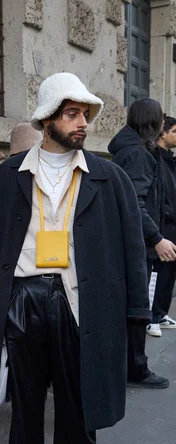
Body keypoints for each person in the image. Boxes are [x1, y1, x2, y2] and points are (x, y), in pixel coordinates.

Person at [0, 73, 150, 444]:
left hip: (80, 301)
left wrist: (136, 314)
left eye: (85, 113)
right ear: (48, 119)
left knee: (80, 397)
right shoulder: (9, 175)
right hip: (23, 298)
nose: (82, 121)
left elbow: (131, 247)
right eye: (72, 114)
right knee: (25, 399)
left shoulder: (109, 177)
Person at [109, 99, 175, 388]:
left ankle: (130, 366)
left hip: (133, 243)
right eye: (161, 118)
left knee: (135, 308)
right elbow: (136, 203)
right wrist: (157, 238)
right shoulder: (137, 153)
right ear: (153, 121)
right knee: (138, 308)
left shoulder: (136, 150)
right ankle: (135, 368)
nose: (164, 123)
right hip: (136, 245)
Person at [146, 116, 176, 336]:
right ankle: (150, 317)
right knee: (157, 271)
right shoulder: (153, 158)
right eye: (174, 131)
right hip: (161, 225)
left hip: (172, 224)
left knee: (169, 272)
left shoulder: (169, 159)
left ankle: (160, 313)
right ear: (163, 133)